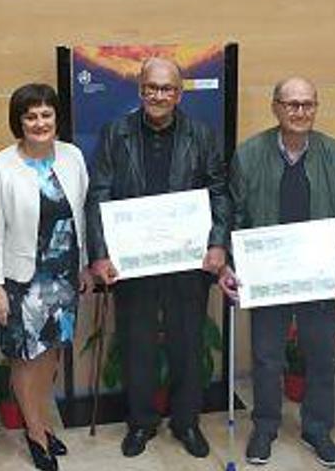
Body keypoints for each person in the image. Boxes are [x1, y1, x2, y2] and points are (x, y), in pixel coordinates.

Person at [219, 77, 335, 468]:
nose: (299, 112)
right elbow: (232, 215)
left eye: (307, 104)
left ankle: (317, 430)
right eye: (291, 104)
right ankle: (265, 426)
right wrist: (231, 262)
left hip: (320, 279)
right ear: (275, 107)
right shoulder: (249, 155)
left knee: (320, 356)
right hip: (267, 277)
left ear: (316, 108)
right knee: (267, 358)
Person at [85, 57, 230, 459]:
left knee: (188, 344)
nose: (158, 95)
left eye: (167, 89)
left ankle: (187, 422)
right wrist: (100, 255)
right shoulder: (116, 133)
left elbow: (219, 191)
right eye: (151, 87)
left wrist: (218, 243)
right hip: (134, 264)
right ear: (140, 90)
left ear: (179, 94)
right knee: (137, 346)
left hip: (187, 263)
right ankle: (141, 423)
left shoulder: (202, 135)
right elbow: (99, 194)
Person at [0, 83, 89, 471]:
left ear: (56, 118)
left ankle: (40, 419)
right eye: (30, 116)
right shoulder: (0, 166)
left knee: (52, 352)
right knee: (26, 357)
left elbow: (81, 217)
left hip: (63, 275)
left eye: (46, 114)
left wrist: (85, 265)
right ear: (19, 121)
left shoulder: (73, 157)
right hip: (22, 280)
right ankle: (35, 432)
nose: (39, 123)